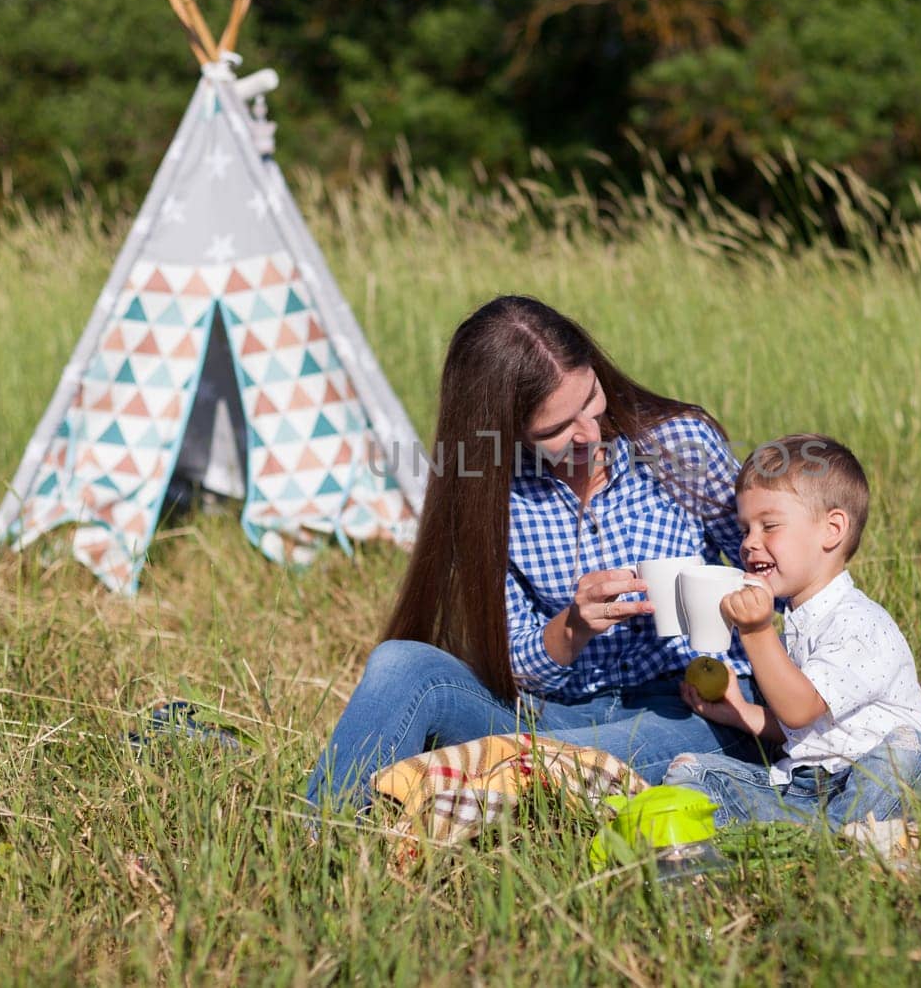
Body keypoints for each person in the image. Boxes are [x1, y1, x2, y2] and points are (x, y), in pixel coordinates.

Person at [306, 295, 769, 810]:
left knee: (552, 757)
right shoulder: (488, 490)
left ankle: (464, 781)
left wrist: (743, 623)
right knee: (400, 665)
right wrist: (573, 627)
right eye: (555, 430)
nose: (590, 434)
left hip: (692, 708)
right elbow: (510, 660)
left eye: (591, 399)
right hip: (552, 713)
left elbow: (785, 575)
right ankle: (325, 832)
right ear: (507, 430)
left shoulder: (680, 445)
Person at [664, 435, 921, 828]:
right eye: (745, 529)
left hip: (874, 774)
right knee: (694, 774)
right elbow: (803, 730)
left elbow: (799, 710)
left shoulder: (860, 623)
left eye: (769, 526)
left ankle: (835, 831)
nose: (748, 544)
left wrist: (755, 630)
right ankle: (832, 831)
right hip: (808, 786)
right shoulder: (797, 626)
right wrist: (738, 712)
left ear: (832, 530)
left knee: (903, 755)